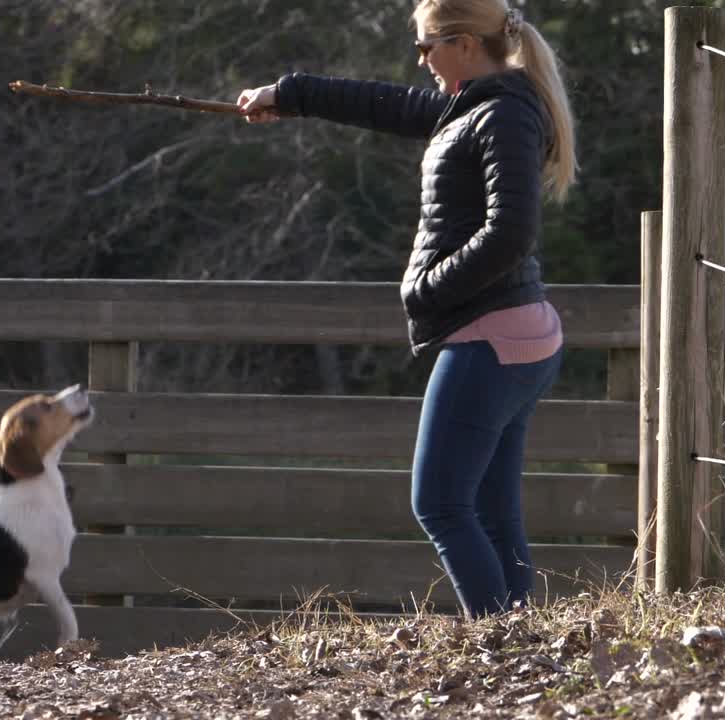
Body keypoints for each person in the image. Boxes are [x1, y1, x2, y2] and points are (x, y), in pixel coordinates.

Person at [236, 0, 576, 618]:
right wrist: (287, 95)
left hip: (489, 336)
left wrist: (427, 290)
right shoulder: (476, 106)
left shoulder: (501, 114)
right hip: (514, 334)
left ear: (466, 45)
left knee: (441, 505)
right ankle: (524, 651)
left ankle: (500, 652)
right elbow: (383, 105)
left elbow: (511, 232)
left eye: (426, 48)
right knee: (494, 515)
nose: (419, 61)